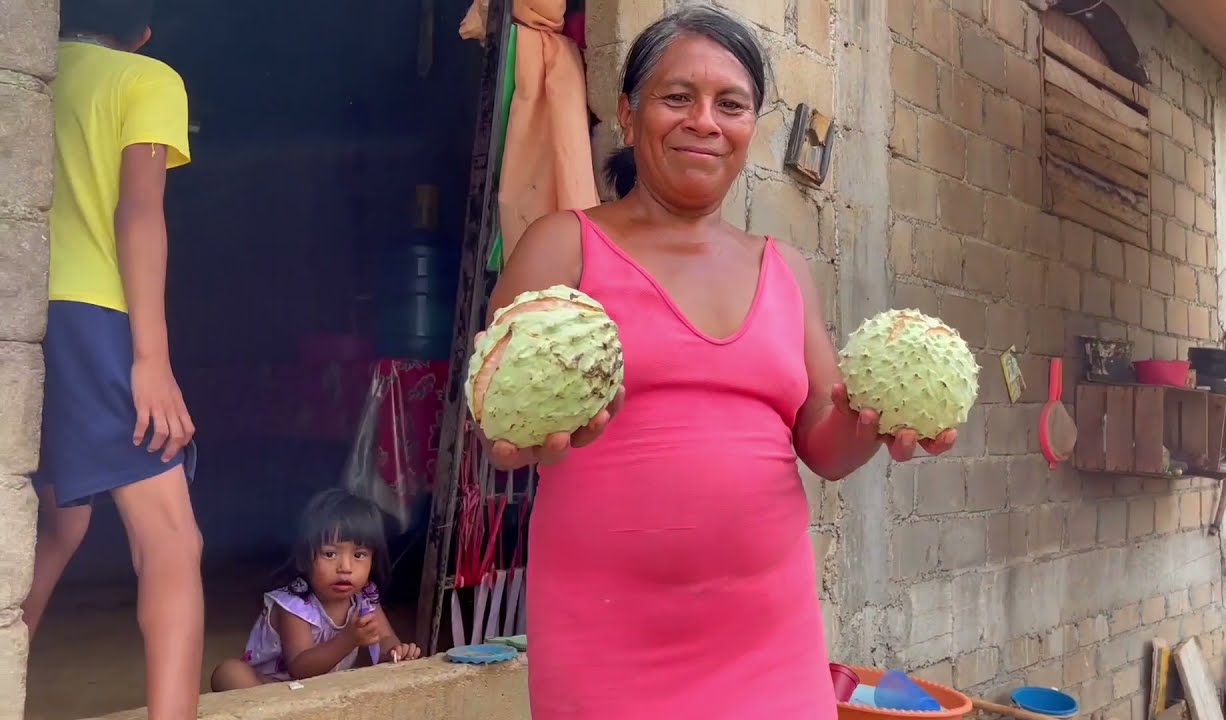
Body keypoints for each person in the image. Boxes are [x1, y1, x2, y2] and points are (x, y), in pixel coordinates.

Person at [479, 6, 959, 719]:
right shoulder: (563, 246)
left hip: (770, 642)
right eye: (678, 97)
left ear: (749, 128)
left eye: (730, 104)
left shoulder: (784, 268)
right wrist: (520, 440)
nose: (705, 120)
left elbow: (824, 444)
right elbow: (499, 425)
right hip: (608, 639)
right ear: (629, 113)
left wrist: (877, 422)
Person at [23, 0, 203, 718]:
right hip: (91, 315)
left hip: (19, 308)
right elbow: (138, 212)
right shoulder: (143, 78)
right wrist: (150, 360)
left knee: (57, 521)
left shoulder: (30, 76)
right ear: (144, 28)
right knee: (171, 538)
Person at [209, 489, 422, 691]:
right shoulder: (295, 606)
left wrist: (397, 653)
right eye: (330, 554)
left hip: (327, 690)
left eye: (359, 555)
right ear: (303, 560)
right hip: (275, 689)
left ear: (372, 560)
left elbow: (384, 640)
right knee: (229, 673)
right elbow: (300, 668)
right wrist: (348, 639)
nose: (345, 568)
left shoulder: (364, 598)